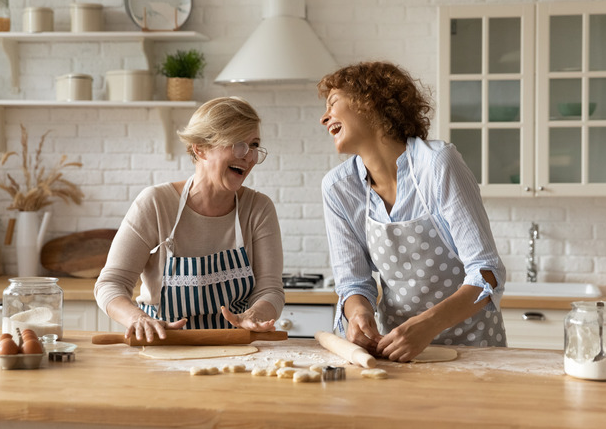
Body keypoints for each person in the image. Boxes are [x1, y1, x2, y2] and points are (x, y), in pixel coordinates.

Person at [318, 62, 507, 362]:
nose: (323, 117)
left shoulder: (438, 164)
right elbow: (354, 283)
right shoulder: (339, 188)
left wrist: (429, 325)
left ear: (371, 103)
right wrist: (359, 315)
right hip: (399, 355)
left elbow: (487, 273)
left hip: (475, 352)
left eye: (332, 103)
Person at [94, 96, 284, 342]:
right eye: (238, 145)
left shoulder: (258, 209)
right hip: (164, 346)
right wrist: (138, 319)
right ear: (200, 148)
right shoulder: (156, 203)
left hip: (235, 350)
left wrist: (255, 315)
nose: (248, 157)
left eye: (254, 145)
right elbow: (110, 284)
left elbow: (271, 289)